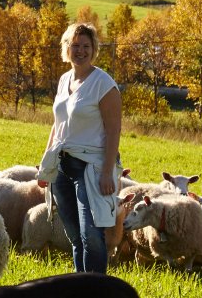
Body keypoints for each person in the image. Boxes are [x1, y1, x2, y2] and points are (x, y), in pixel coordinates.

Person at [36, 22, 122, 274]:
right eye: (75, 46)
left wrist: (107, 172)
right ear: (66, 48)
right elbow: (58, 124)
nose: (81, 51)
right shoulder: (64, 80)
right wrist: (46, 164)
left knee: (92, 237)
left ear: (94, 49)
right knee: (74, 237)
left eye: (86, 46)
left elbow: (113, 130)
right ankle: (80, 287)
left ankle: (96, 291)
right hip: (62, 166)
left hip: (90, 167)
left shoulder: (104, 84)